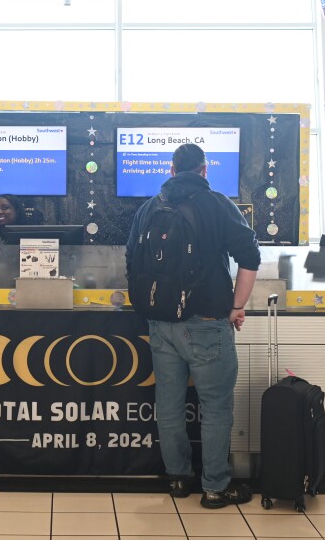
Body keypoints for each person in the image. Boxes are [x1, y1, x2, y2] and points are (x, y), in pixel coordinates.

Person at [125, 143, 260, 509]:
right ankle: (215, 487)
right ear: (204, 171)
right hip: (207, 322)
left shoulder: (150, 207)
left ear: (171, 170)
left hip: (160, 323)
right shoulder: (216, 204)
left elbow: (131, 260)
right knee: (215, 407)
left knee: (168, 404)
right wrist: (237, 307)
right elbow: (250, 257)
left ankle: (178, 479)